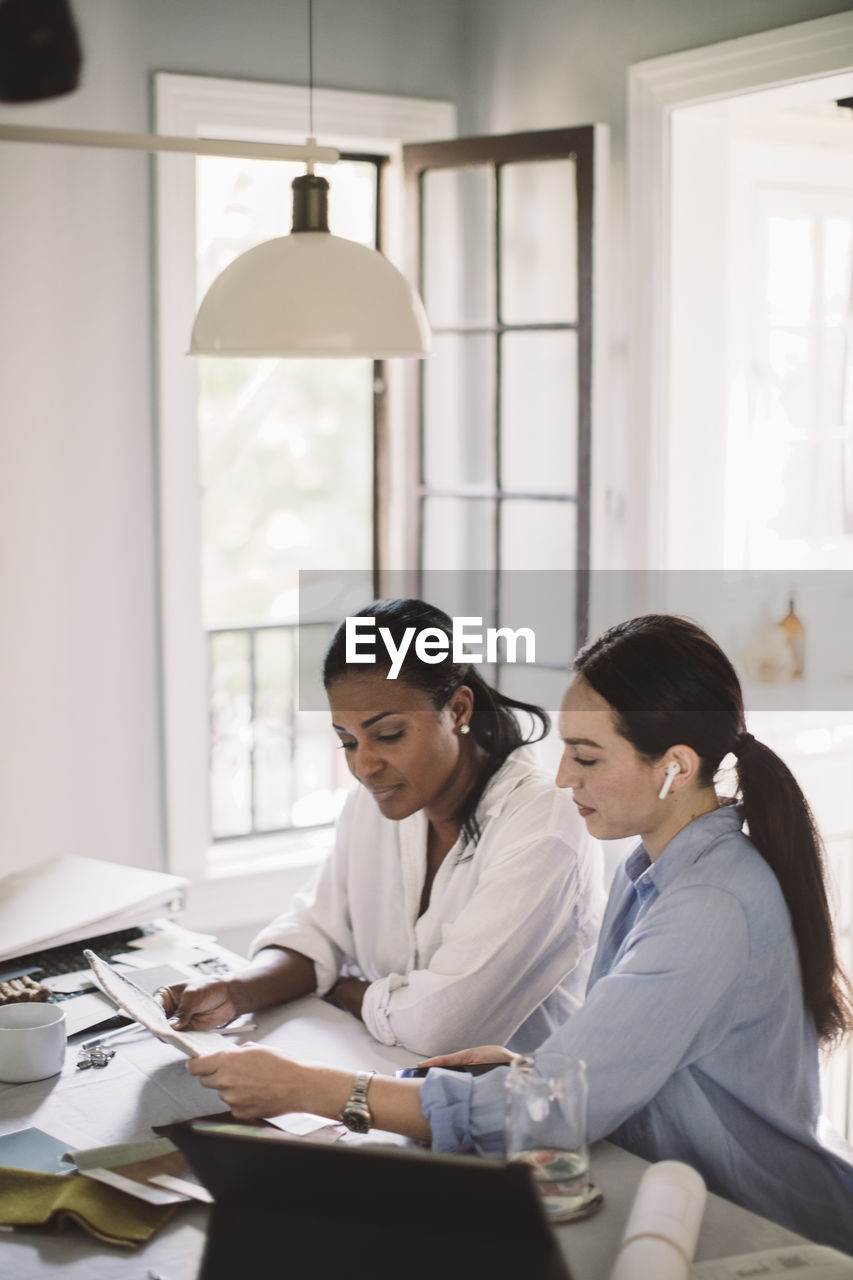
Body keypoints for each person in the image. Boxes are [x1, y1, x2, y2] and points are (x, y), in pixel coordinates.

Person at [186, 614, 853, 1254]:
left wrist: (314, 1090)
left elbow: (564, 1114)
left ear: (674, 767)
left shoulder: (708, 906)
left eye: (586, 757)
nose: (563, 777)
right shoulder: (654, 867)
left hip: (758, 1227)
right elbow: (623, 1065)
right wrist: (530, 1072)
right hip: (667, 1197)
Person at [161, 598, 604, 1057]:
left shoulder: (543, 823)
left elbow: (442, 1028)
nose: (365, 766)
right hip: (386, 1081)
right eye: (347, 742)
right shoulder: (379, 798)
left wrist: (349, 990)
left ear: (458, 710)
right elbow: (319, 929)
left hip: (513, 1110)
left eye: (389, 735)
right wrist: (236, 990)